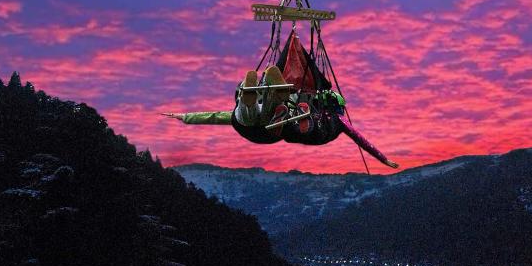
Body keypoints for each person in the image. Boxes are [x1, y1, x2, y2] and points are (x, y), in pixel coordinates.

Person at [163, 66, 399, 169]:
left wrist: (185, 117)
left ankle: (255, 97)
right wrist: (383, 159)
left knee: (244, 115)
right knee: (266, 111)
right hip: (271, 130)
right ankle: (267, 99)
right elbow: (361, 139)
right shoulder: (337, 119)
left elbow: (213, 117)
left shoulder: (327, 116)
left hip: (259, 128)